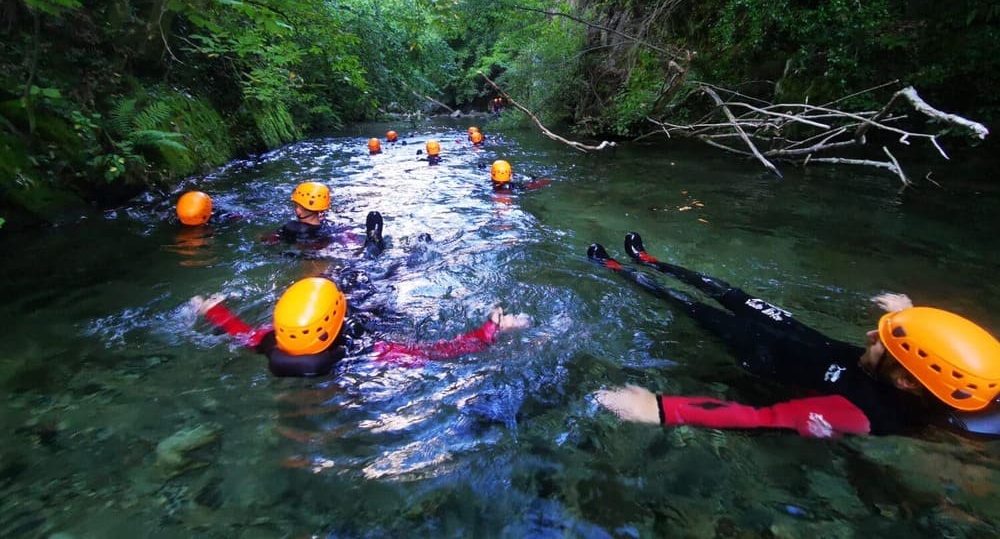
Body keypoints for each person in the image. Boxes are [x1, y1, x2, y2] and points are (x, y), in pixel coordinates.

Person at [592, 233, 1000, 439]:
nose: (869, 336)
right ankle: (648, 259)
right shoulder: (930, 383)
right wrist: (908, 322)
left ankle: (613, 267)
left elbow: (762, 418)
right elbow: (949, 354)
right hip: (795, 334)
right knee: (728, 291)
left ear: (906, 380)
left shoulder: (864, 413)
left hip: (761, 352)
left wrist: (662, 408)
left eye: (882, 343)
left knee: (689, 305)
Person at [189, 277, 531, 377]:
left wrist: (213, 312)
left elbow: (242, 332)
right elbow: (440, 351)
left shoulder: (269, 341)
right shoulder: (371, 352)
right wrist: (490, 328)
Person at [263, 181, 385, 257]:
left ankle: (370, 248)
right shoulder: (329, 224)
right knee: (351, 241)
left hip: (316, 251)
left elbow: (268, 240)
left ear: (298, 210)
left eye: (295, 205)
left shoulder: (291, 227)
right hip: (333, 238)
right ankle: (371, 243)